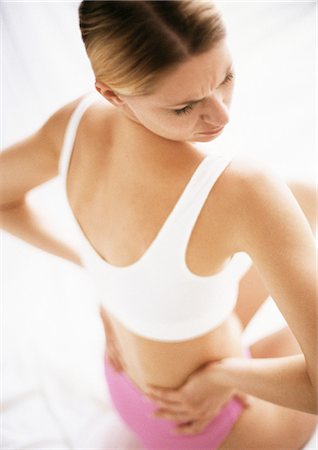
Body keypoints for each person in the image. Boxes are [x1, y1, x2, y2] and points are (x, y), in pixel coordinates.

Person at [0, 1, 316, 448]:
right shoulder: (245, 188)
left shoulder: (74, 125)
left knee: (304, 198)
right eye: (185, 107)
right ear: (112, 93)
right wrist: (220, 378)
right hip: (205, 421)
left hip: (127, 386)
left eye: (225, 77)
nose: (221, 115)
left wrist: (106, 273)